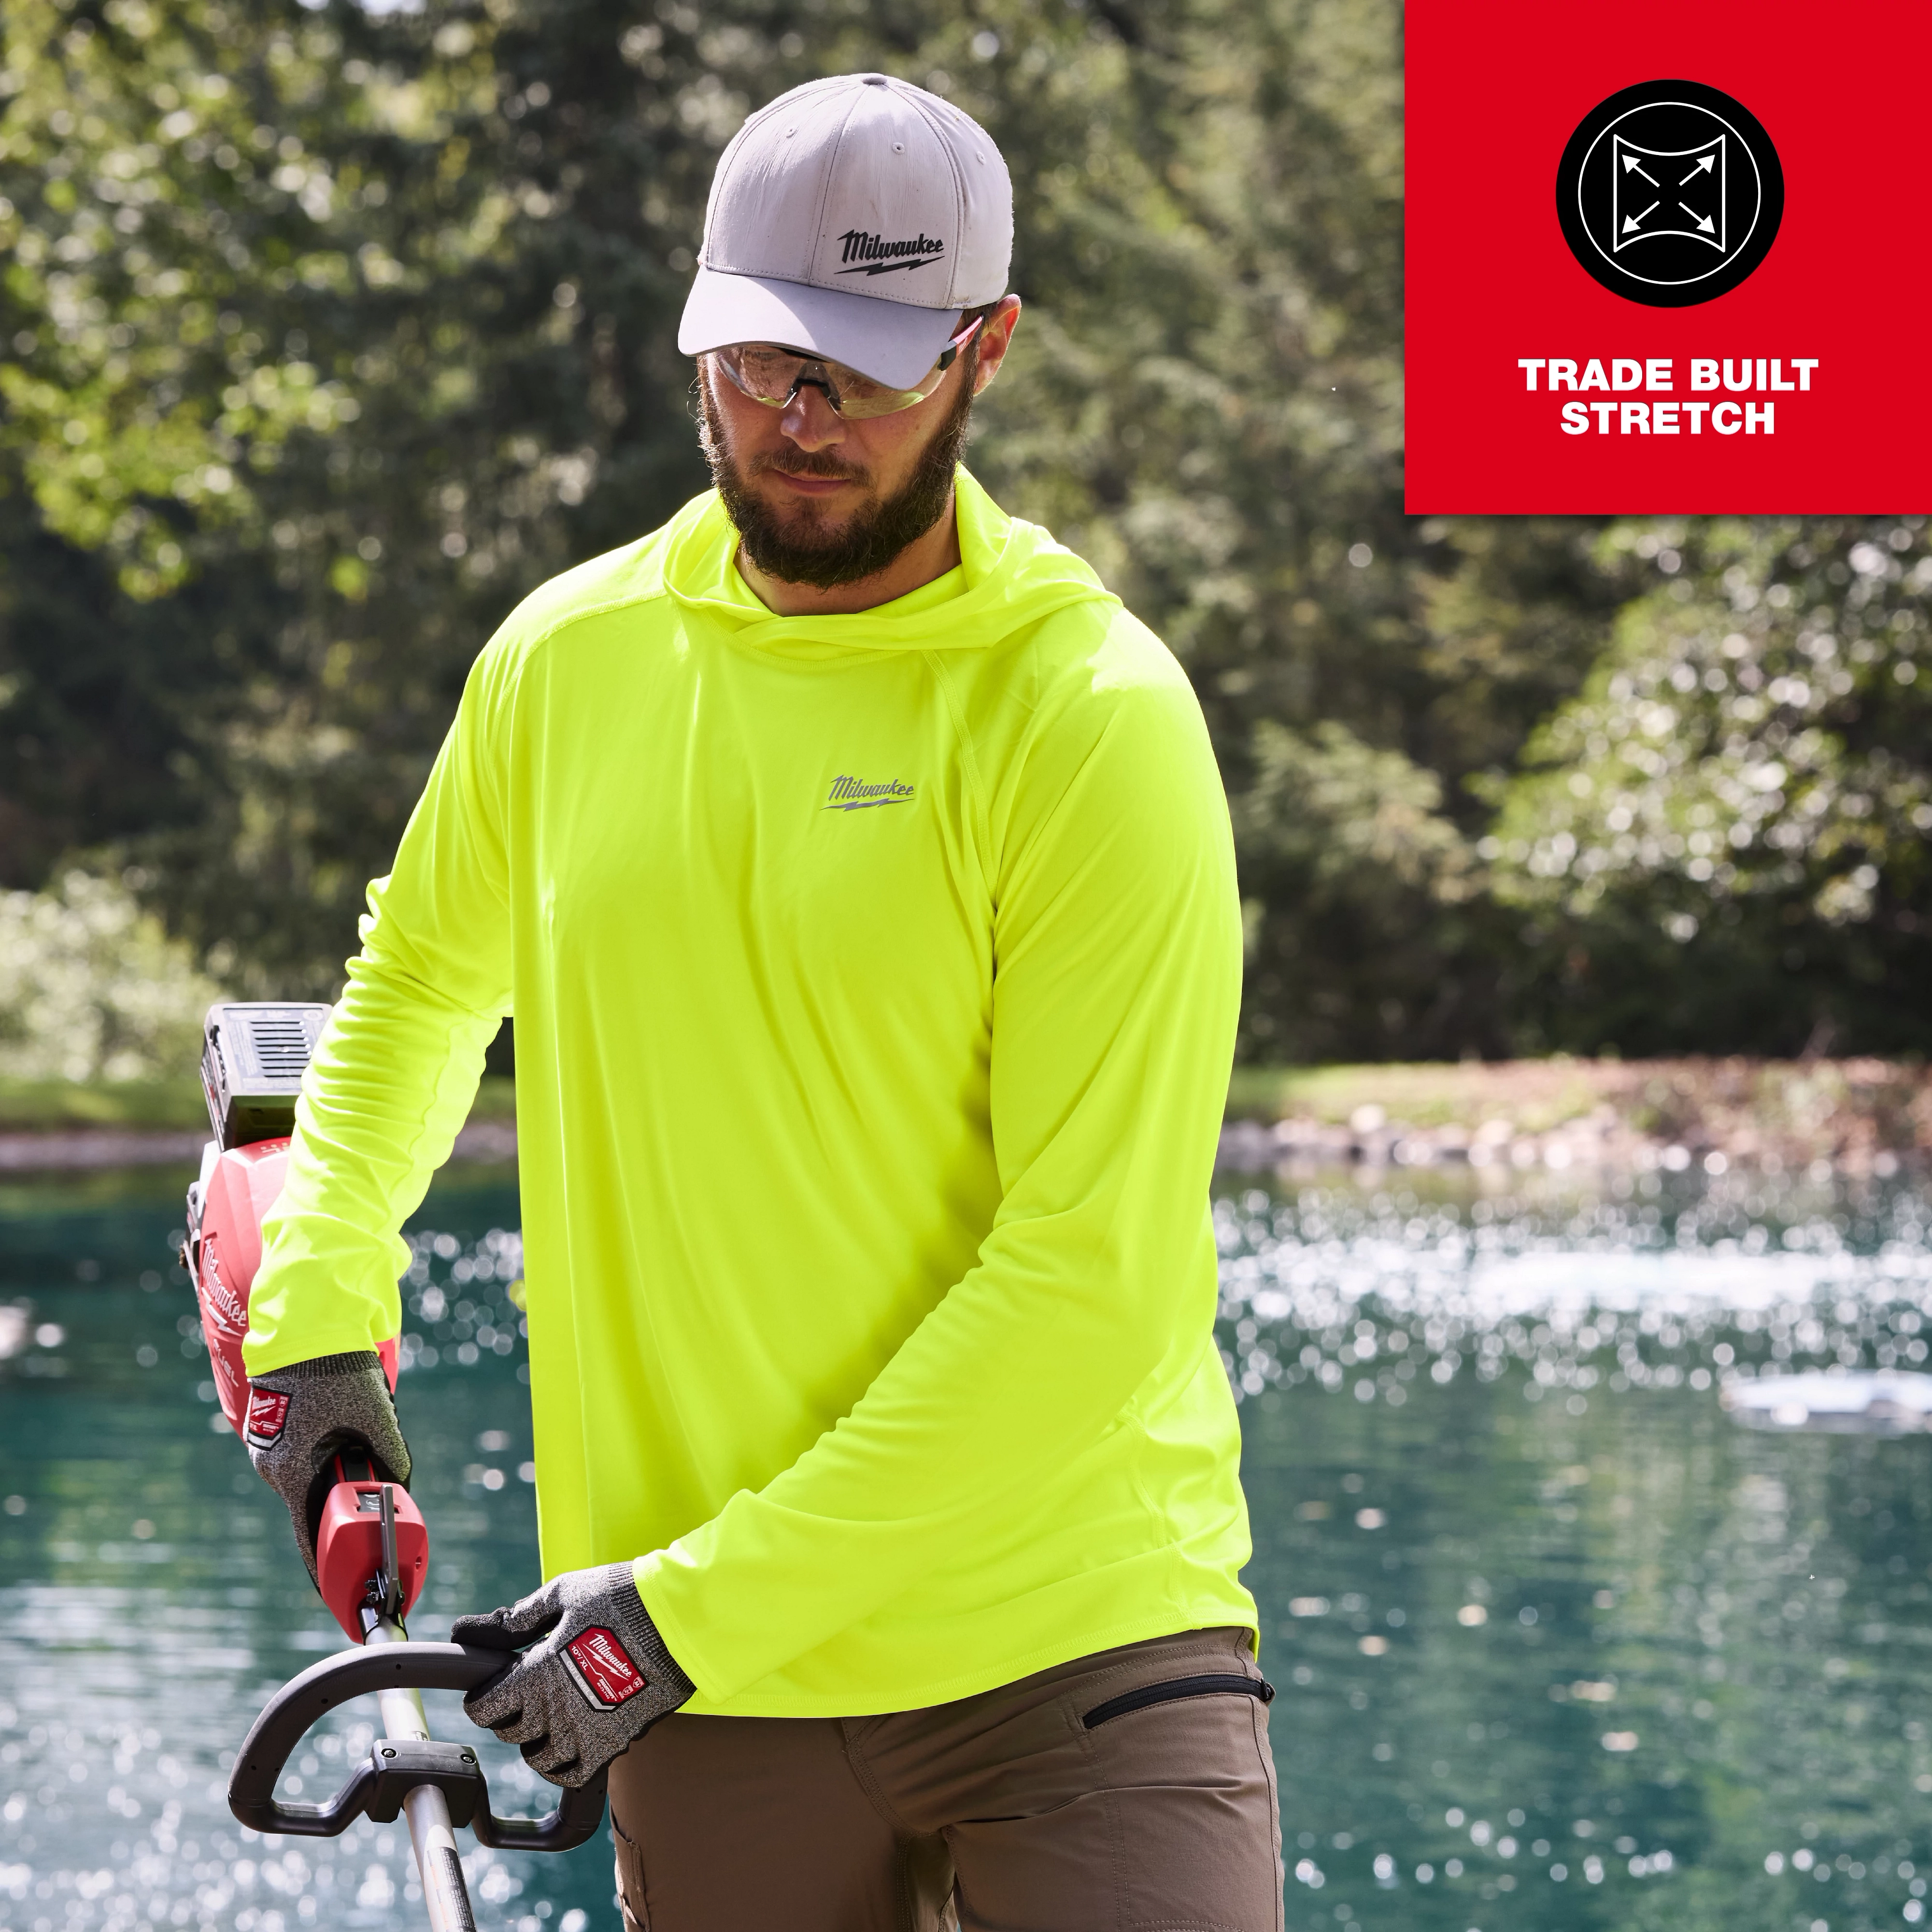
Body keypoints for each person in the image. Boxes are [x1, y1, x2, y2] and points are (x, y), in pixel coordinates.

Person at [239, 71, 1280, 1932]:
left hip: (1067, 1637)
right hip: (713, 1689)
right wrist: (322, 1303)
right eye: (759, 363)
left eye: (864, 373)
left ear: (988, 351)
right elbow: (413, 986)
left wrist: (673, 1617)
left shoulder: (1088, 717)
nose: (801, 423)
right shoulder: (567, 662)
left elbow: (1085, 1285)